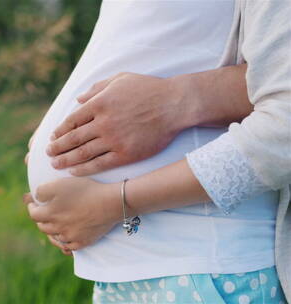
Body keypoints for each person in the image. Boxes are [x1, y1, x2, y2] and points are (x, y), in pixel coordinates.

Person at [24, 0, 290, 303]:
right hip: (130, 272)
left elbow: (284, 127)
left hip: (204, 268)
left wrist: (117, 202)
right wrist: (60, 130)